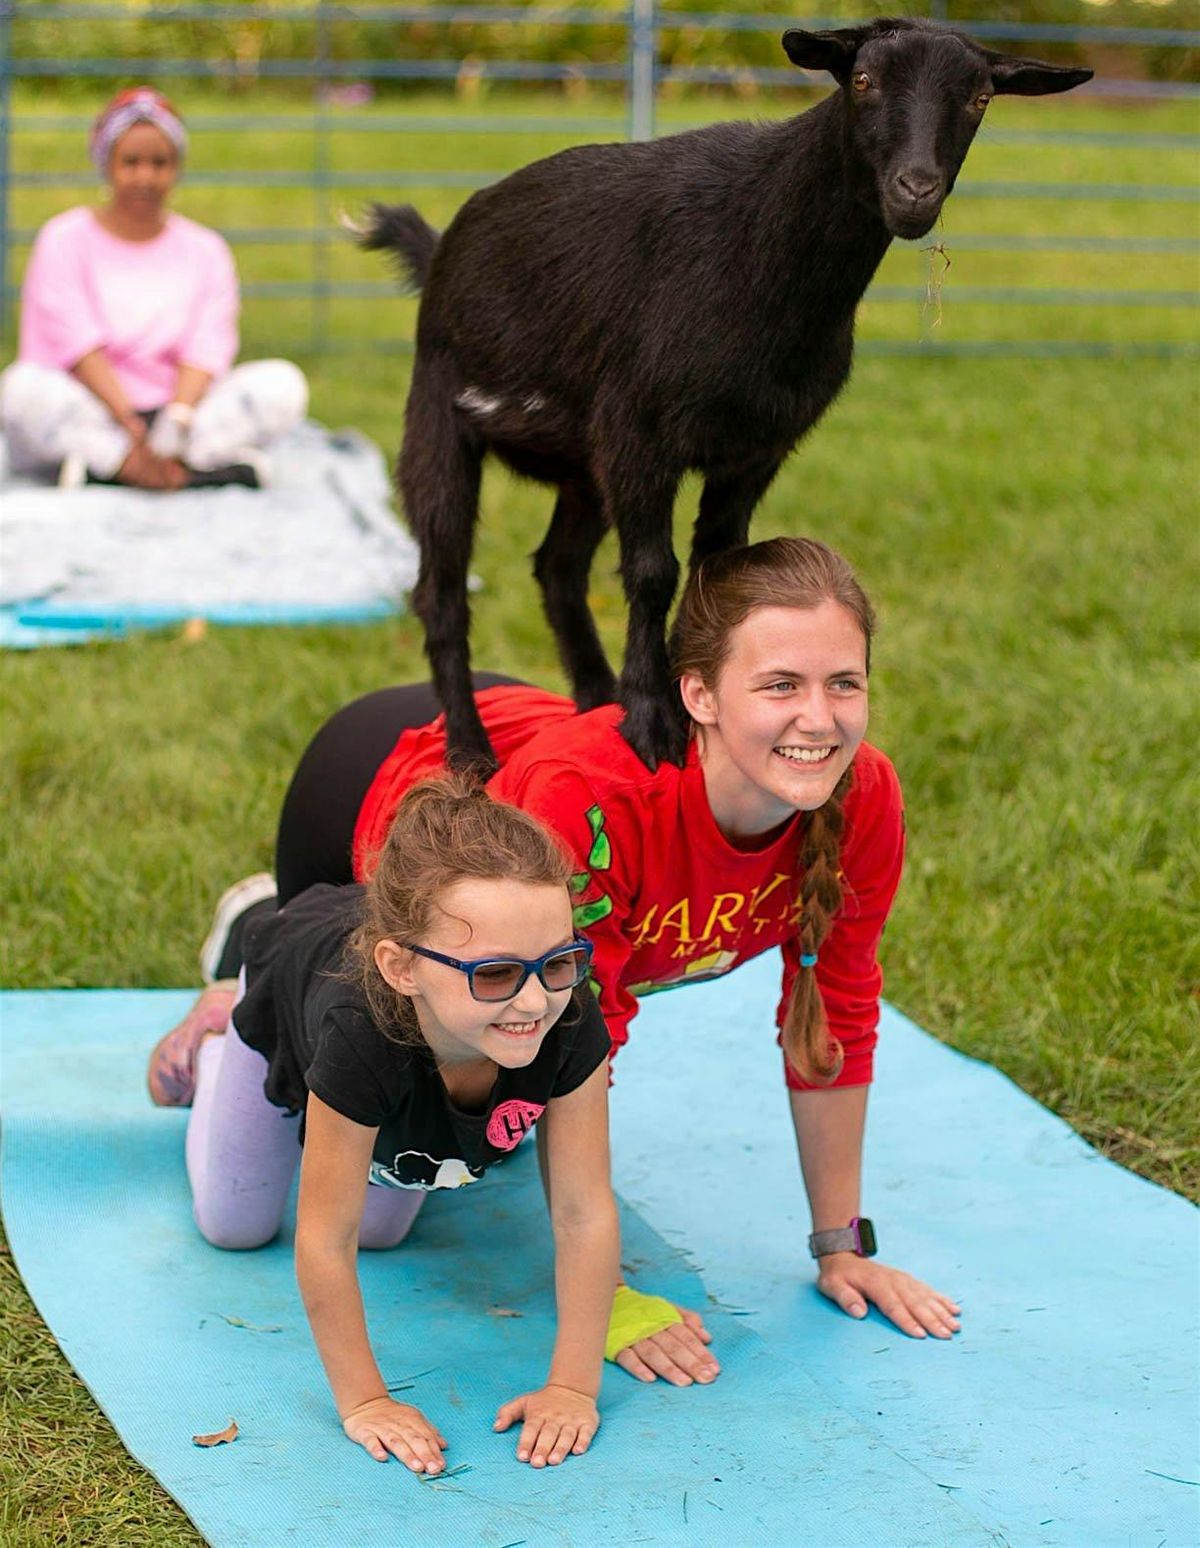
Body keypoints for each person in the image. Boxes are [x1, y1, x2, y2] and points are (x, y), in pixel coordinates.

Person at [153, 536, 961, 1387]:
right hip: (371, 786)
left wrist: (840, 1247)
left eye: (845, 683)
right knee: (349, 1077)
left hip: (523, 757)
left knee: (440, 1152)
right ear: (698, 694)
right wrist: (603, 1294)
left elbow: (836, 1010)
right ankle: (257, 943)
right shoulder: (598, 808)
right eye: (780, 685)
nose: (820, 718)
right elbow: (574, 1038)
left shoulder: (861, 793)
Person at [184, 772, 618, 1473]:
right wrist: (365, 1403)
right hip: (288, 999)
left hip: (392, 1078)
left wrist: (572, 1386)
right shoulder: (362, 1031)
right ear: (402, 968)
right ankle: (215, 1030)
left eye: (559, 961)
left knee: (384, 1232)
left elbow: (582, 1209)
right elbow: (325, 1238)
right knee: (235, 1224)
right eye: (497, 974)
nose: (536, 1000)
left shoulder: (565, 1010)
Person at [0, 86, 308, 491]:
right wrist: (128, 424)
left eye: (159, 163)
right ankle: (182, 469)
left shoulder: (206, 250)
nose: (145, 176)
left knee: (282, 385)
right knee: (21, 389)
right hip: (96, 410)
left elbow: (206, 347)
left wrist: (176, 421)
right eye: (131, 162)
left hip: (181, 417)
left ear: (176, 168)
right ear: (106, 164)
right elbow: (75, 345)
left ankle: (114, 469)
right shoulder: (64, 238)